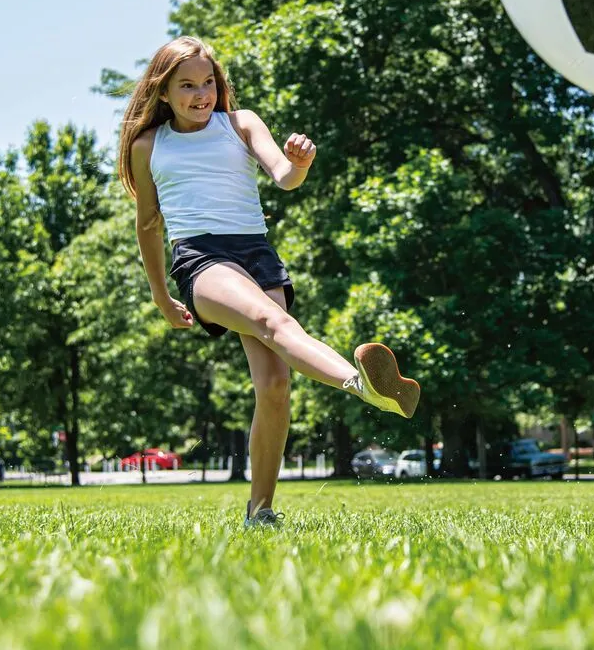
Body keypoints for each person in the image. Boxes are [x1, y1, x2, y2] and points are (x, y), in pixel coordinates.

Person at [118, 35, 420, 527]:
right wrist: (161, 295)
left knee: (276, 383)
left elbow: (282, 175)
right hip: (201, 257)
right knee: (270, 320)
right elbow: (148, 224)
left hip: (256, 252)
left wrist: (298, 164)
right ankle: (361, 385)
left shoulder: (240, 124)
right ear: (164, 91)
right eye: (187, 86)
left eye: (208, 83)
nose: (201, 95)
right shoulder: (149, 145)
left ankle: (260, 512)